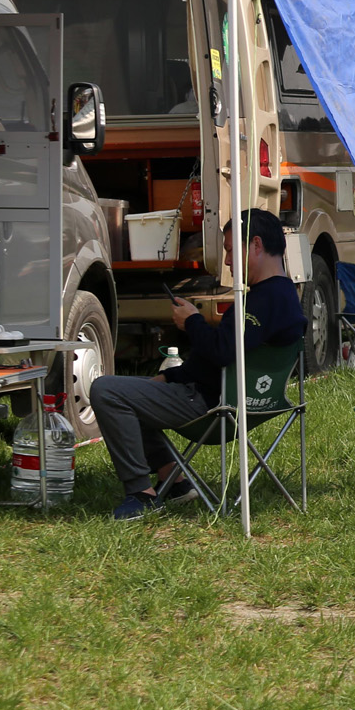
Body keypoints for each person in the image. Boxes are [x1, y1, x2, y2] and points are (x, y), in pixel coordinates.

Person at [90, 209, 307, 521]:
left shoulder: (261, 301)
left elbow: (221, 353)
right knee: (140, 391)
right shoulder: (285, 296)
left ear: (256, 245)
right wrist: (171, 376)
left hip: (214, 406)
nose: (229, 261)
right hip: (252, 403)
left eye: (231, 250)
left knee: (106, 390)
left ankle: (141, 493)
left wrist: (192, 321)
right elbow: (226, 356)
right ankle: (175, 482)